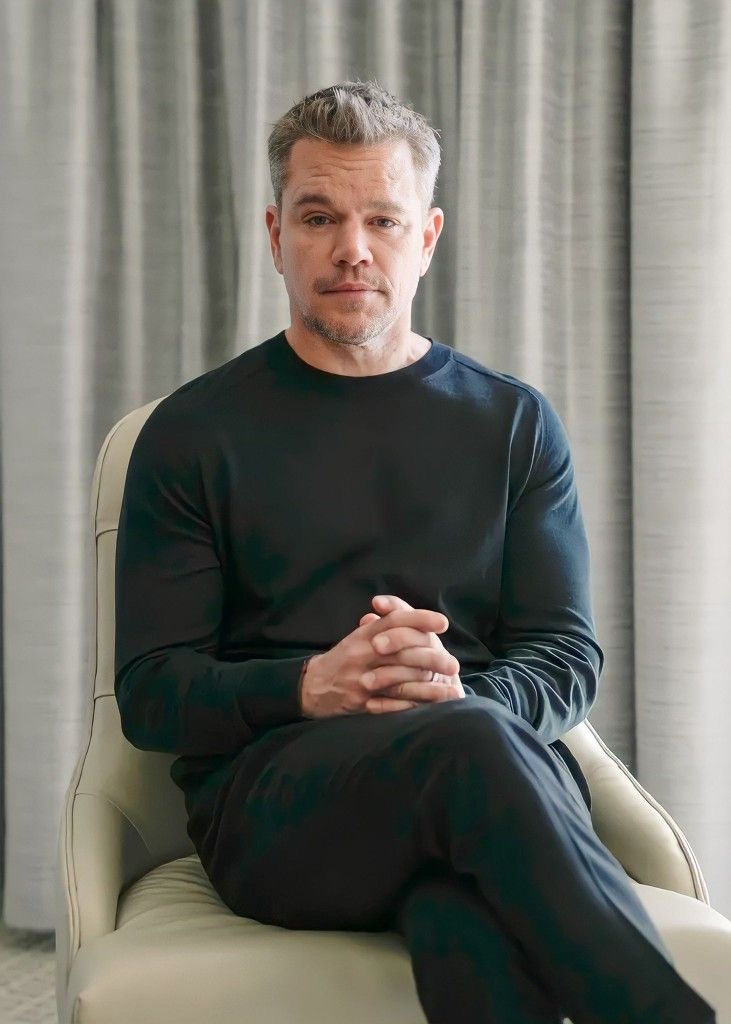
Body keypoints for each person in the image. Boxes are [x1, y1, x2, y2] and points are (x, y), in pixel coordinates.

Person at [114, 80, 716, 1024]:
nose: (352, 248)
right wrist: (312, 685)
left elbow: (565, 656)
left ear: (426, 237)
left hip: (489, 778)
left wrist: (459, 695)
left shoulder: (512, 423)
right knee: (472, 750)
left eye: (382, 220)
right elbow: (152, 693)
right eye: (319, 217)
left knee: (458, 912)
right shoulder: (192, 433)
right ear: (275, 234)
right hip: (280, 806)